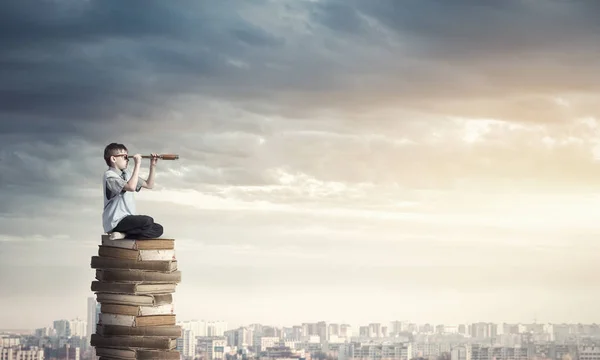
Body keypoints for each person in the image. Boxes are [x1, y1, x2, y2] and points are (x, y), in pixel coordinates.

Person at [102, 142, 164, 240]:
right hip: (116, 221)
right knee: (147, 221)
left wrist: (152, 165)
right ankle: (122, 232)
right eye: (124, 157)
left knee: (158, 228)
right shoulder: (109, 176)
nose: (128, 160)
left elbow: (149, 185)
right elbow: (131, 187)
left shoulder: (127, 174)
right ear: (113, 159)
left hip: (128, 219)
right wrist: (137, 164)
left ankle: (125, 235)